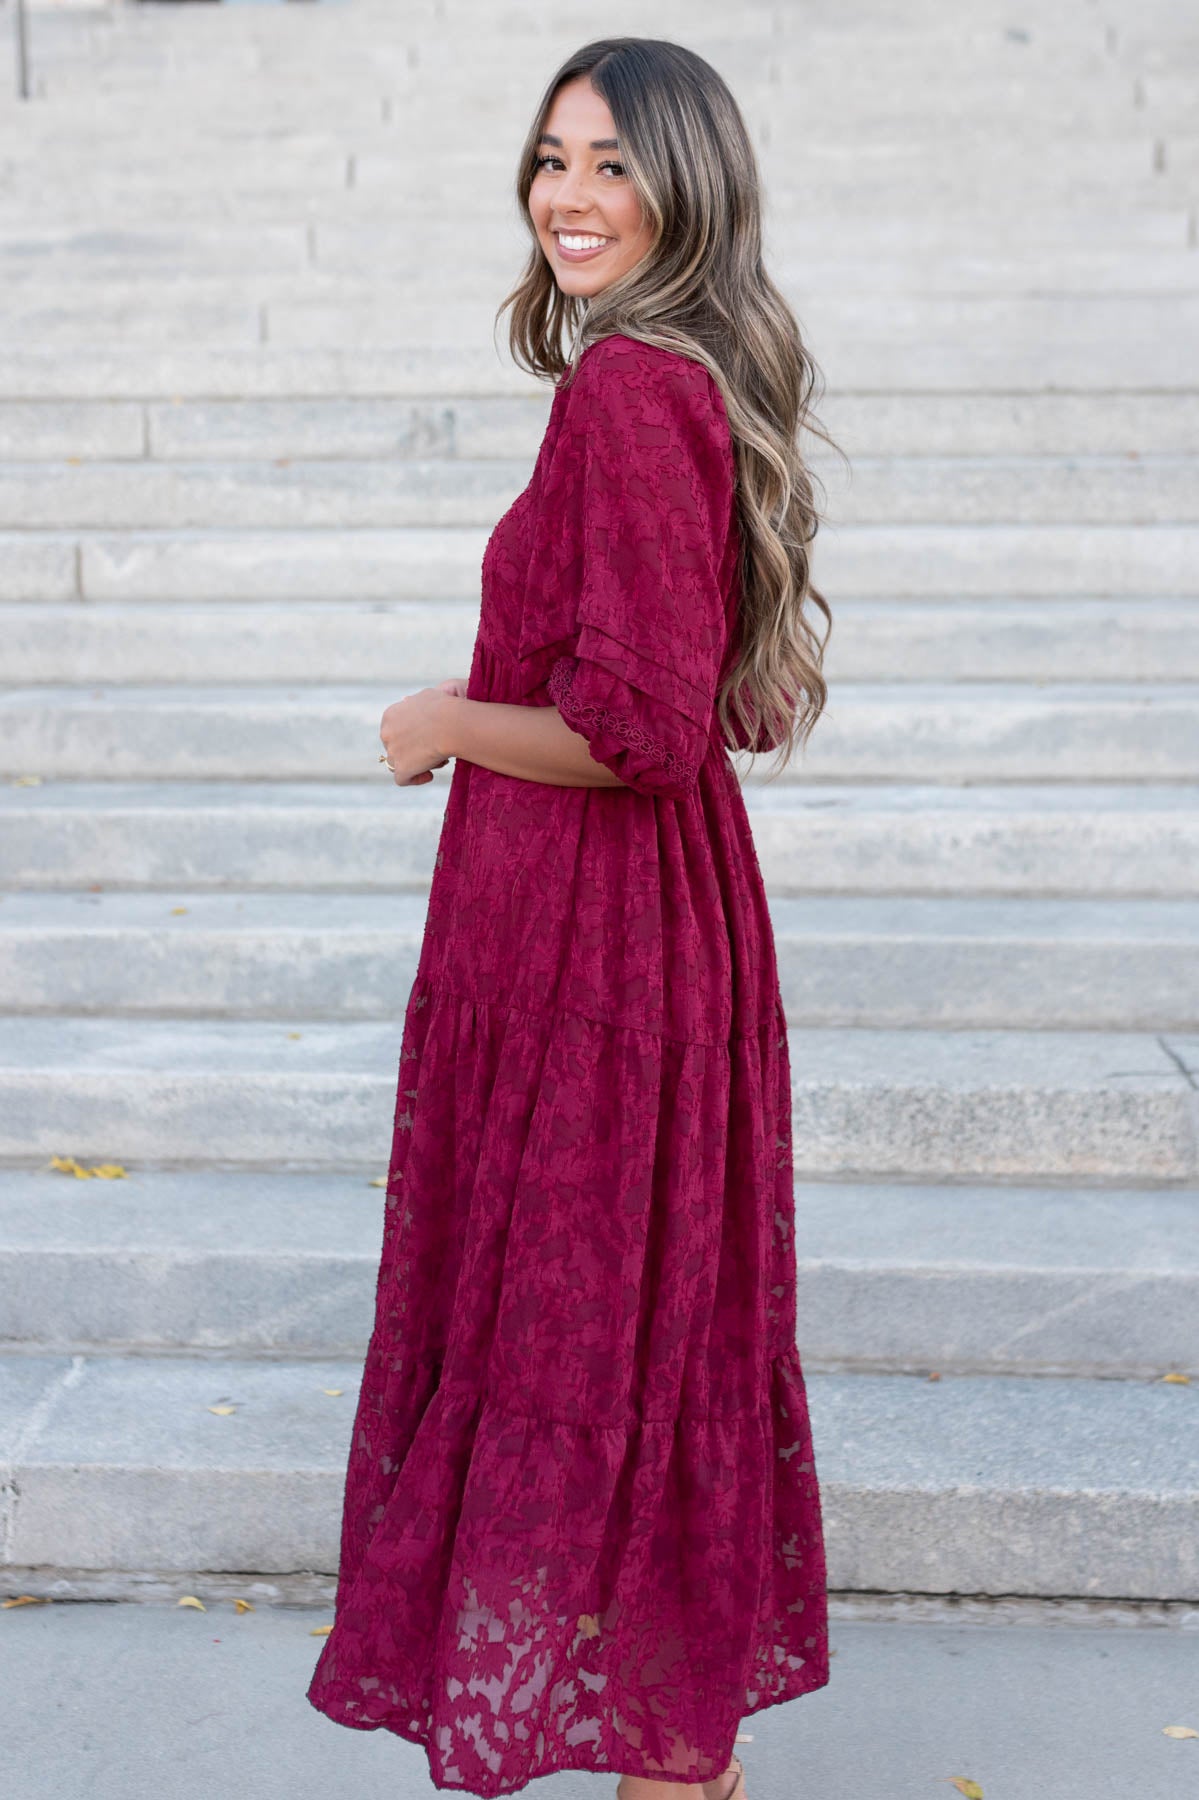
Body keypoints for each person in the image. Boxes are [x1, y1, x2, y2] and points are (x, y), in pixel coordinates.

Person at [307, 35, 835, 1800]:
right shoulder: (670, 381)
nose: (570, 199)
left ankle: (670, 1777)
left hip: (594, 950)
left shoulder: (631, 391)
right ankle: (677, 1769)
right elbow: (718, 700)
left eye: (614, 164)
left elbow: (649, 731)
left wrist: (440, 721)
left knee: (581, 1351)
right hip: (628, 941)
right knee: (627, 1352)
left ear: (689, 185)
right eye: (551, 160)